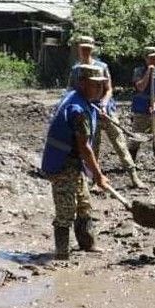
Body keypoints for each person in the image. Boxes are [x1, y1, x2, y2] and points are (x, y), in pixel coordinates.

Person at [40, 64, 112, 260]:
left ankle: (87, 243)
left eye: (101, 86)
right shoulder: (77, 110)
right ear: (82, 84)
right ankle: (61, 253)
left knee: (84, 204)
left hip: (75, 163)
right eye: (95, 85)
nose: (99, 89)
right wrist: (98, 176)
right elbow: (85, 148)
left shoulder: (84, 101)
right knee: (66, 209)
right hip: (62, 162)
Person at [67, 36, 144, 188]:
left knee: (120, 144)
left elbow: (109, 89)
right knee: (93, 147)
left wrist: (103, 104)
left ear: (93, 49)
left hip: (106, 112)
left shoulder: (102, 67)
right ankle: (96, 180)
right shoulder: (76, 70)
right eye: (83, 48)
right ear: (78, 49)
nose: (85, 51)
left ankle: (134, 177)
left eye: (88, 48)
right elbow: (70, 91)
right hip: (89, 114)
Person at [129, 46, 155, 163]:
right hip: (141, 109)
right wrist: (148, 73)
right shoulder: (138, 71)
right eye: (151, 58)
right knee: (136, 136)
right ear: (146, 59)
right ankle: (131, 161)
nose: (154, 60)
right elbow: (140, 87)